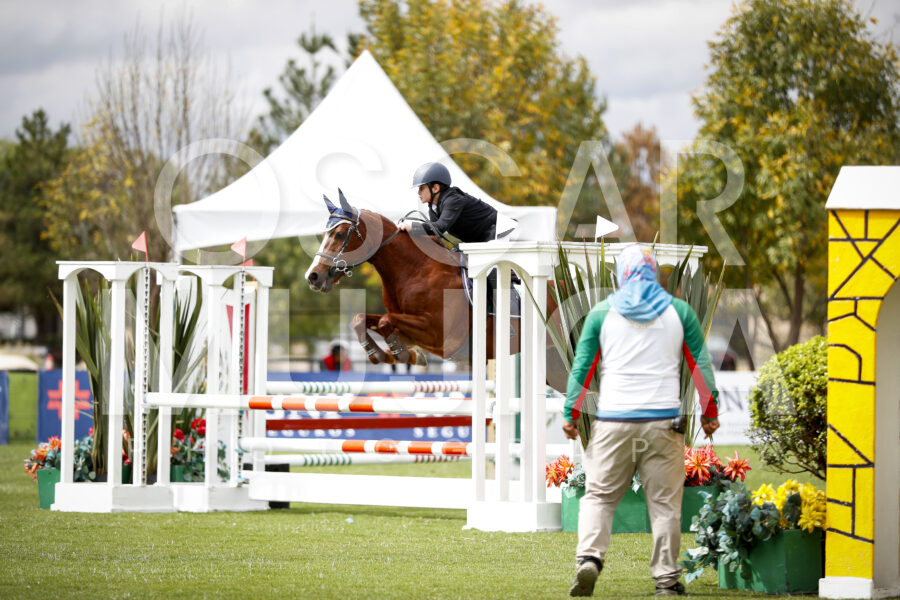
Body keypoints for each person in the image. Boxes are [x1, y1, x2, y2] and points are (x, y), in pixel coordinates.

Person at [563, 244, 720, 597]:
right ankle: (666, 580)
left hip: (613, 421)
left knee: (599, 497)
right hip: (663, 423)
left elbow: (583, 366)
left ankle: (590, 558)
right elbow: (700, 365)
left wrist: (571, 413)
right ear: (653, 275)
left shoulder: (602, 313)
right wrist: (710, 413)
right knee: (664, 505)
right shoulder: (679, 312)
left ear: (622, 275)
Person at [398, 162, 498, 242]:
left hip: (497, 232)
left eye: (421, 188)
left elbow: (440, 227)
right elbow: (434, 233)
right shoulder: (433, 207)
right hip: (477, 241)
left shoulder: (453, 199)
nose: (418, 192)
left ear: (436, 188)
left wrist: (412, 227)